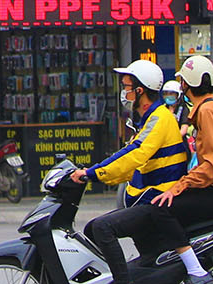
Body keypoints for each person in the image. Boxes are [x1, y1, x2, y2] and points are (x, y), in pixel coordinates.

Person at [87, 55, 213, 284]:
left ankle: (195, 273)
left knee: (160, 207)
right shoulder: (212, 106)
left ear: (187, 84)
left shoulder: (207, 111)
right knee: (154, 219)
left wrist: (180, 187)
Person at [74, 61, 187, 208]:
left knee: (100, 228)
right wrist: (100, 175)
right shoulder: (152, 117)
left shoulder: (159, 118)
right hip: (152, 195)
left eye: (126, 87)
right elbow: (132, 167)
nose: (124, 93)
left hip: (157, 197)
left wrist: (92, 172)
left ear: (139, 91)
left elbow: (135, 153)